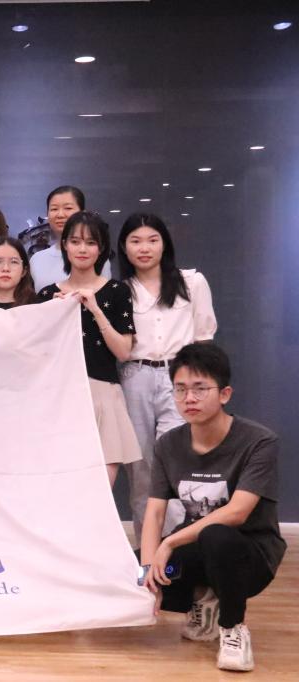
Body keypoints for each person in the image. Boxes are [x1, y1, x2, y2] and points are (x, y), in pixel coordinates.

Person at [141, 343, 285, 673]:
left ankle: (233, 628)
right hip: (196, 551)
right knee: (131, 568)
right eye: (180, 389)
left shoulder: (259, 441)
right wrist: (147, 570)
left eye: (200, 388)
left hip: (249, 557)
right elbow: (155, 512)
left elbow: (237, 512)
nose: (189, 398)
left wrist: (169, 542)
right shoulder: (168, 444)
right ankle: (203, 599)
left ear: (224, 394)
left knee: (216, 536)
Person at [118, 213, 218, 541]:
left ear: (165, 243)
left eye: (152, 240)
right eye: (135, 241)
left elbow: (204, 337)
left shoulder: (192, 282)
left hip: (180, 377)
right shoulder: (120, 290)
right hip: (134, 376)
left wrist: (201, 387)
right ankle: (149, 552)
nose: (144, 248)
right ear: (124, 247)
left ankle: (178, 550)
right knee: (141, 467)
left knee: (177, 460)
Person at [38, 211, 141, 485]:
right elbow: (36, 356)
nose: (82, 249)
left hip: (103, 392)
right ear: (64, 245)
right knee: (61, 486)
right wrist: (52, 313)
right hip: (58, 396)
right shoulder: (47, 295)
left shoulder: (117, 291)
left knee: (102, 487)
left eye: (91, 242)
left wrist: (95, 309)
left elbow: (123, 352)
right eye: (75, 241)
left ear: (101, 248)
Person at [29, 185, 111, 291]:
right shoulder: (37, 259)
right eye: (54, 209)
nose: (60, 214)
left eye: (68, 208)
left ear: (82, 212)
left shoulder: (93, 256)